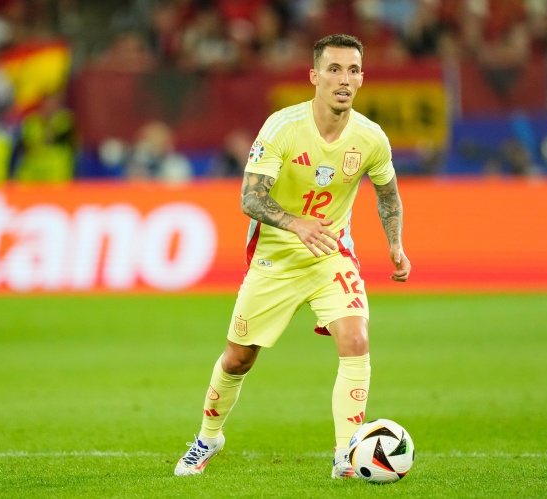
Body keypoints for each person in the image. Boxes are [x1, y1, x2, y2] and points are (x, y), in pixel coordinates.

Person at [174, 33, 411, 479]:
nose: (344, 79)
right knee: (238, 358)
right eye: (334, 69)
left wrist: (395, 244)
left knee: (356, 340)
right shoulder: (282, 127)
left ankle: (346, 454)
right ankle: (208, 436)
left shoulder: (371, 138)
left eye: (353, 70)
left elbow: (388, 195)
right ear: (315, 76)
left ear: (362, 78)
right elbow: (250, 198)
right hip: (275, 259)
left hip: (330, 254)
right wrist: (296, 223)